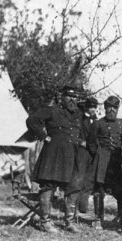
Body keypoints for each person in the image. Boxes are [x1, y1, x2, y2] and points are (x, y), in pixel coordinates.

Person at [26, 85, 84, 233]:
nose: (72, 99)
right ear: (62, 97)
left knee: (73, 187)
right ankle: (45, 222)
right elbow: (32, 120)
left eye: (75, 97)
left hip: (72, 156)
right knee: (48, 187)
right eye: (69, 96)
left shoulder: (79, 114)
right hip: (54, 155)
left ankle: (69, 222)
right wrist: (44, 136)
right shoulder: (52, 110)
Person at [87, 96, 122, 231]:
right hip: (102, 162)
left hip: (116, 162)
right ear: (105, 108)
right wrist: (99, 156)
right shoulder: (98, 124)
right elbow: (91, 144)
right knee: (99, 191)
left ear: (117, 109)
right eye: (109, 107)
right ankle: (98, 218)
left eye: (114, 107)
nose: (111, 110)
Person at [76, 96, 99, 219]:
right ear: (87, 107)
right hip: (82, 151)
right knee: (79, 177)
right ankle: (76, 205)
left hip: (92, 153)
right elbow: (74, 134)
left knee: (89, 179)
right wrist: (81, 142)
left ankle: (83, 206)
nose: (93, 109)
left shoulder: (95, 120)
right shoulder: (80, 119)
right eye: (91, 107)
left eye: (95, 107)